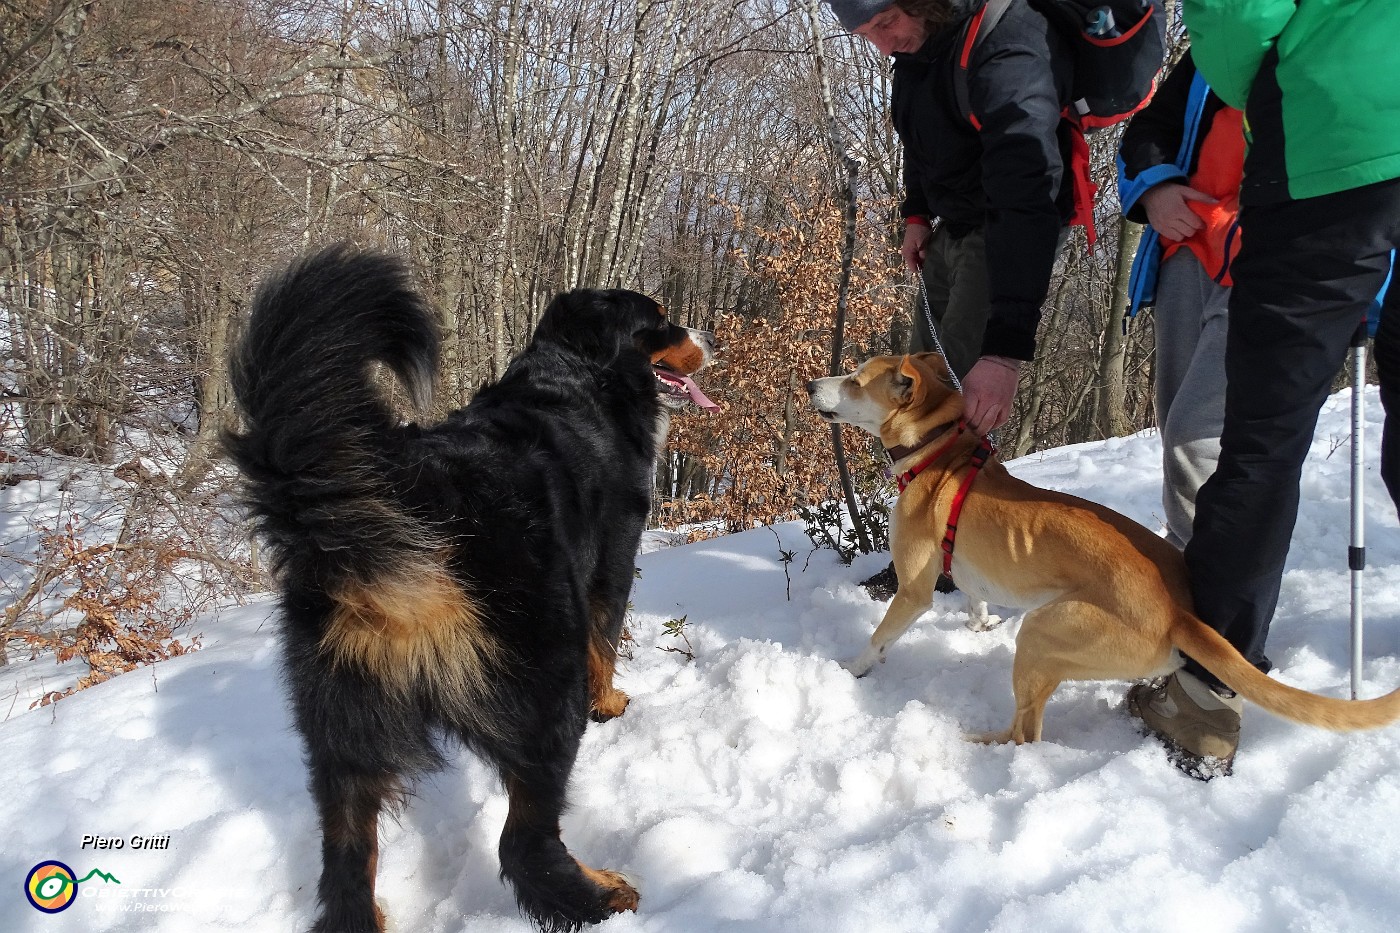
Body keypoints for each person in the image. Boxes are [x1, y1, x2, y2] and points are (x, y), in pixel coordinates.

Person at [1128, 1, 1400, 778]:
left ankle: (1209, 686)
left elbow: (1236, 17)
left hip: (1331, 156)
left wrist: (1279, 84)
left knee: (1259, 438)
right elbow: (1155, 120)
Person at [826, 0, 1082, 434]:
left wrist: (1004, 353)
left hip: (1005, 237)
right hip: (951, 228)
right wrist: (917, 215)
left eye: (887, 22)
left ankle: (966, 500)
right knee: (915, 386)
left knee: (954, 403)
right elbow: (922, 140)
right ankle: (919, 498)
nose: (885, 45)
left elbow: (1028, 191)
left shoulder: (1005, 50)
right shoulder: (917, 51)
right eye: (867, 34)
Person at [1117, 50, 1243, 549]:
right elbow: (1148, 130)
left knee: (1198, 434)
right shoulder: (1214, 47)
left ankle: (1200, 592)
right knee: (1176, 426)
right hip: (1185, 249)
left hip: (1270, 262)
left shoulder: (1331, 27)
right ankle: (1189, 576)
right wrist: (1157, 189)